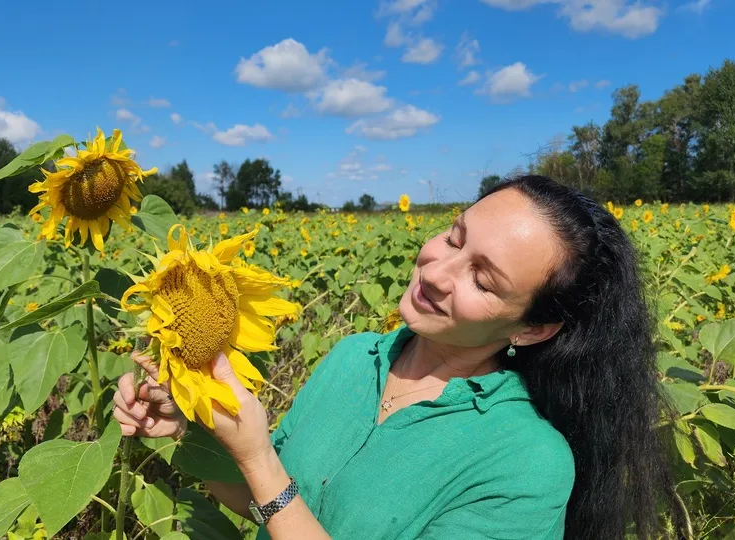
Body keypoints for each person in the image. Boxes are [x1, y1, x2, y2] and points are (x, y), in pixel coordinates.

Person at [113, 175, 679, 539]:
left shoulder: (526, 463)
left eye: (482, 279)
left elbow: (269, 482)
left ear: (533, 329)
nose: (434, 271)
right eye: (454, 238)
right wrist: (195, 437)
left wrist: (261, 461)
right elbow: (268, 508)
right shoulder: (353, 358)